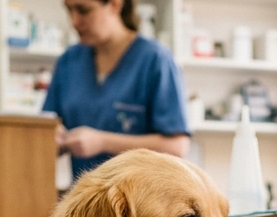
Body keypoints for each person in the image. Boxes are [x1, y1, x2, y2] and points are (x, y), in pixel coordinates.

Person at [44, 0, 191, 179]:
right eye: (69, 10)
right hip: (85, 198)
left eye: (83, 10)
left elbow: (177, 146)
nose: (74, 21)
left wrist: (103, 142)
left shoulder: (155, 59)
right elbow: (46, 127)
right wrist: (54, 138)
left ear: (115, 5)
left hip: (138, 200)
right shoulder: (68, 62)